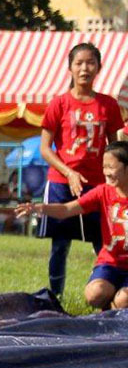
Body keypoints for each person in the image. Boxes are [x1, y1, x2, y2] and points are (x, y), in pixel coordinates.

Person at [38, 43, 123, 298]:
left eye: (90, 63)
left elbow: (117, 148)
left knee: (104, 242)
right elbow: (45, 148)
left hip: (99, 185)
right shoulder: (59, 103)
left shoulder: (108, 104)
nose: (85, 68)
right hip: (62, 184)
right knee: (60, 245)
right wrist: (69, 173)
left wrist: (114, 179)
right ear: (70, 68)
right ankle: (56, 297)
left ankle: (106, 293)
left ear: (99, 67)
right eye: (79, 63)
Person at [17, 141, 128, 310]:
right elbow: (66, 209)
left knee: (123, 300)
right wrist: (38, 208)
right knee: (95, 294)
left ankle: (115, 308)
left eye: (111, 167)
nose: (106, 172)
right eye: (104, 167)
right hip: (110, 263)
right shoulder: (103, 192)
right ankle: (113, 306)